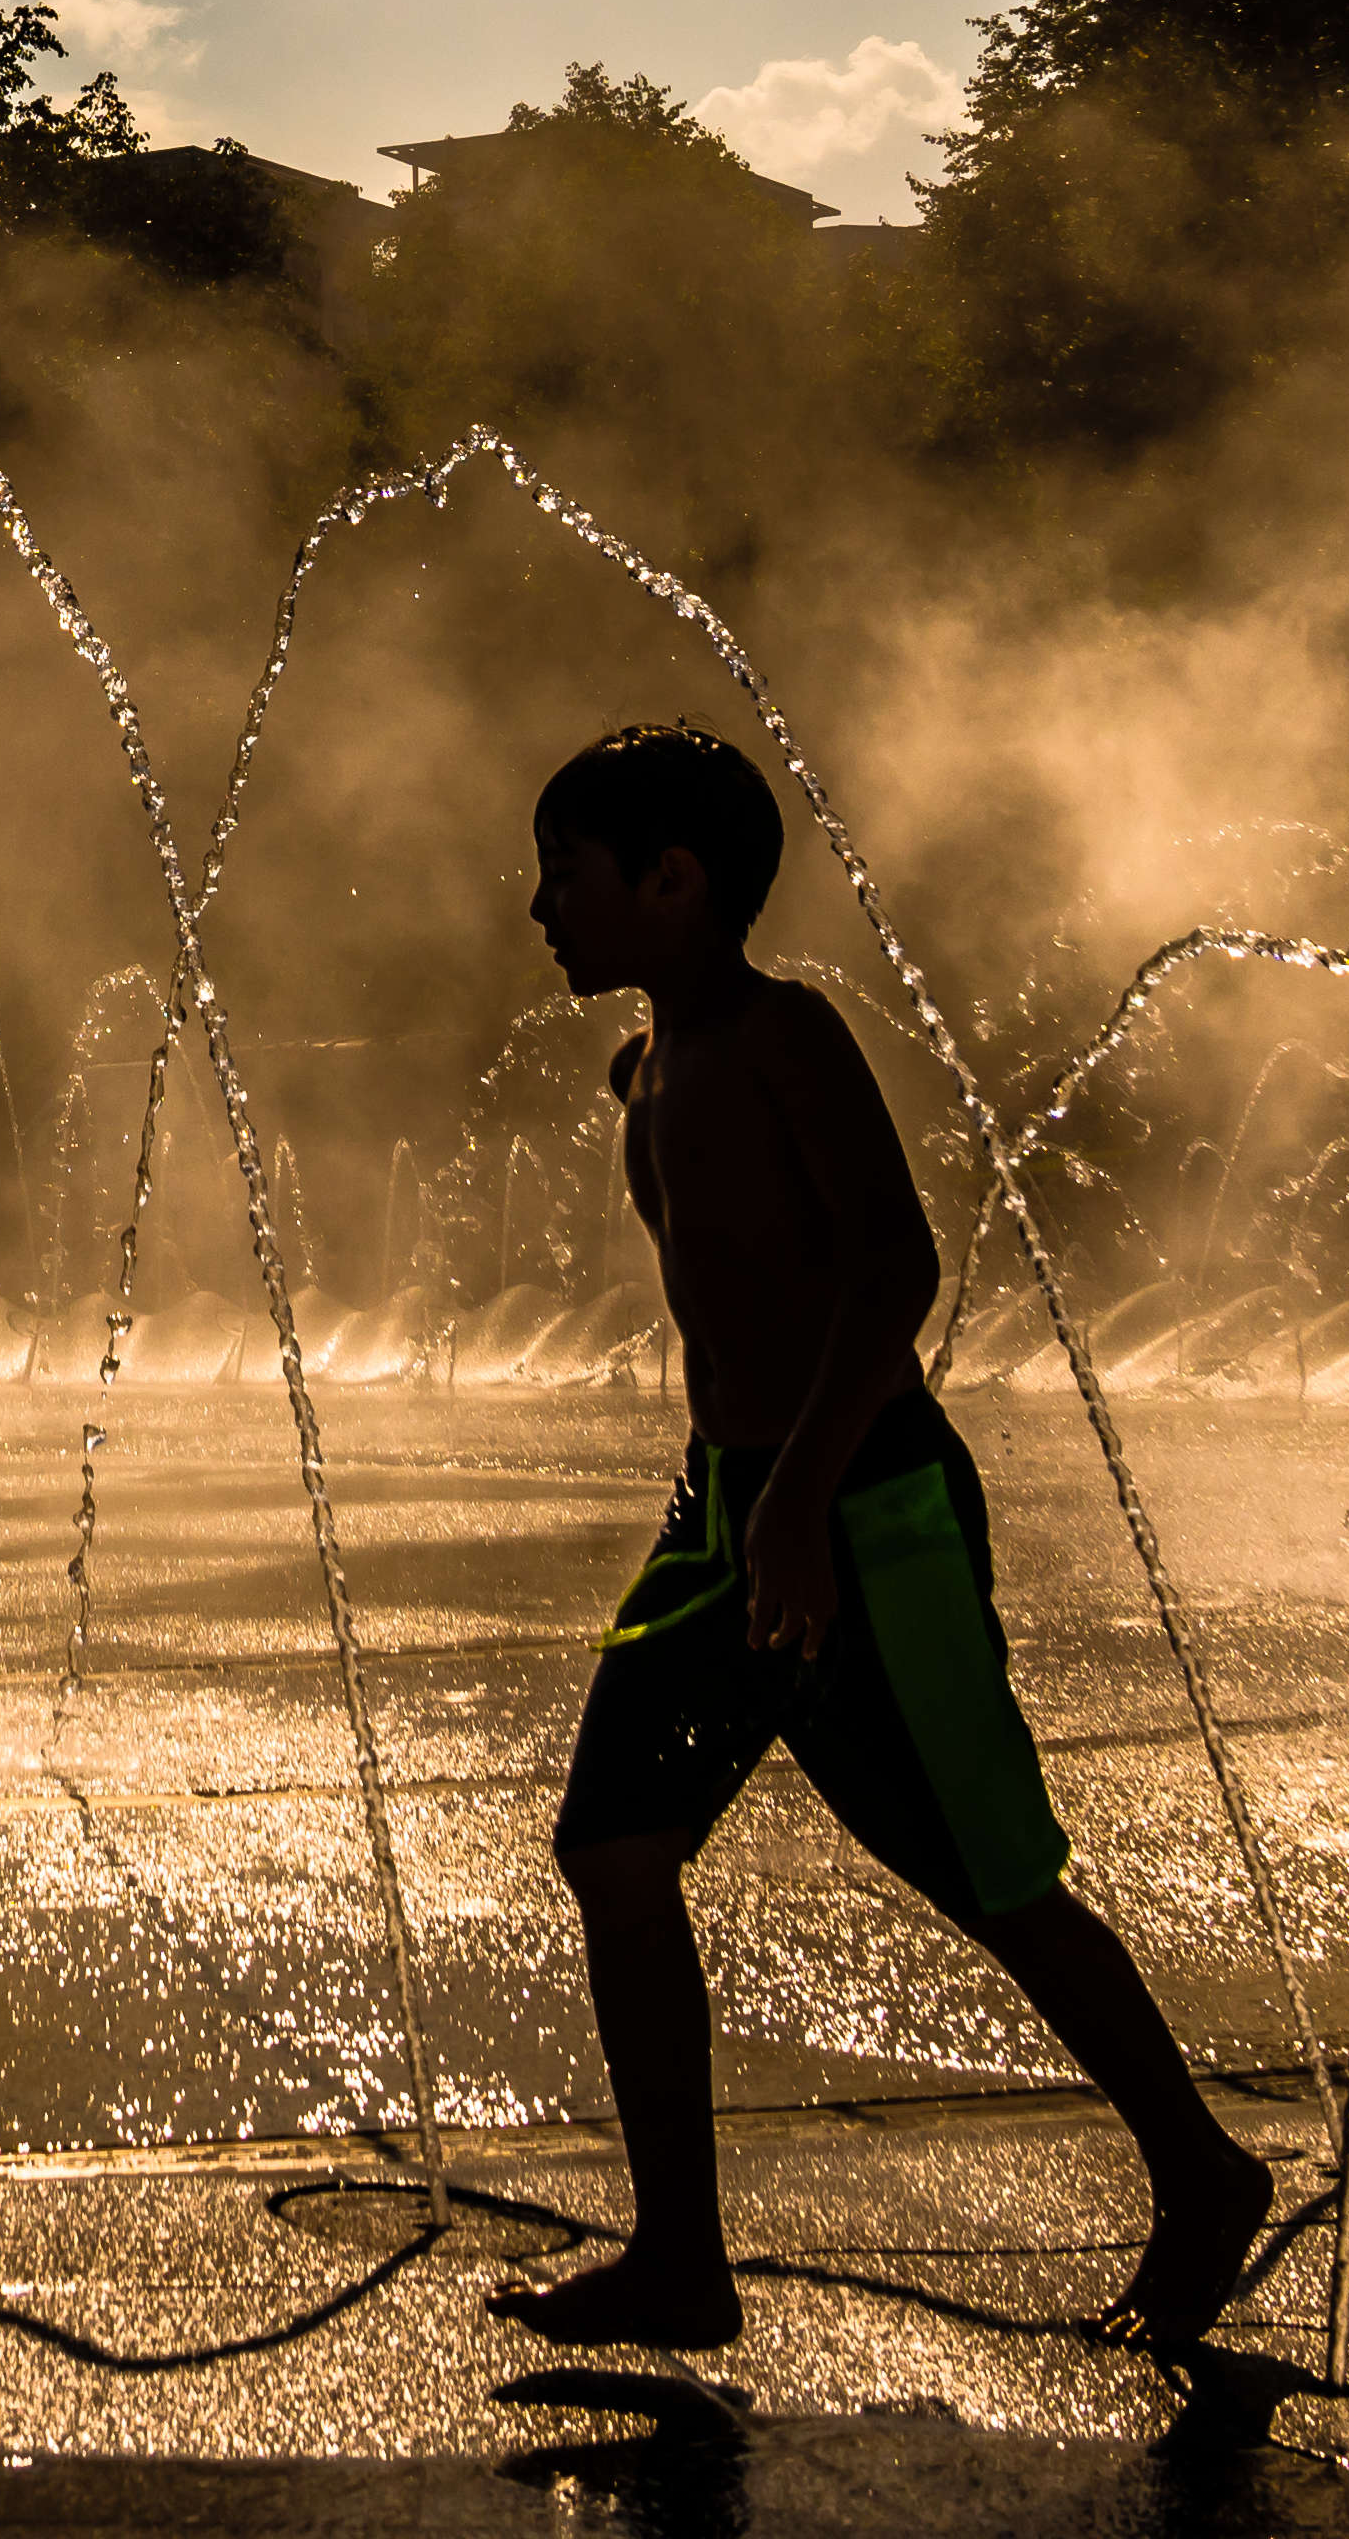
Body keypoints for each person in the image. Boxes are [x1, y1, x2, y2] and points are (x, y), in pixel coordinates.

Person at [492, 721, 1270, 2363]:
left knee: (986, 1870)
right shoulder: (646, 1066)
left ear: (671, 880)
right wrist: (746, 1499)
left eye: (563, 874)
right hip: (731, 1507)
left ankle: (1200, 2168)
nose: (537, 907)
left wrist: (796, 1506)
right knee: (614, 1848)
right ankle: (680, 2257)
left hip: (860, 1504)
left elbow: (895, 1271)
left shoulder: (785, 1039)